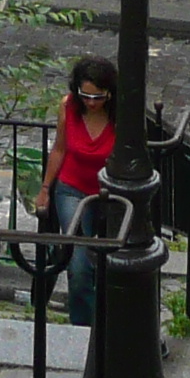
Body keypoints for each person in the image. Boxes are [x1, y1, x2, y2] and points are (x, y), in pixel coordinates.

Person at [46, 56, 120, 326]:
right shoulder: (68, 107)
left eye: (98, 97)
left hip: (111, 194)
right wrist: (45, 189)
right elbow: (59, 149)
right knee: (78, 267)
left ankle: (110, 323)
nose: (91, 102)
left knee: (114, 264)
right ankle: (84, 329)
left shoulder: (121, 116)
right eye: (85, 96)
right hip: (72, 189)